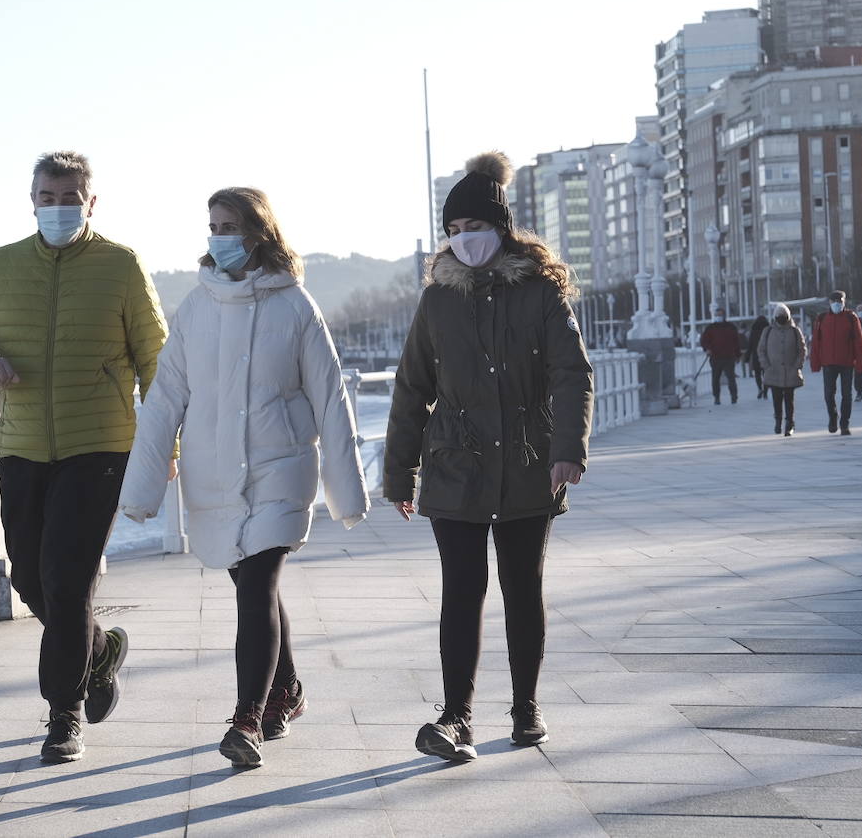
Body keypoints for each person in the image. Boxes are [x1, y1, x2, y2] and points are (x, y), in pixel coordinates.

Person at [117, 187, 368, 768]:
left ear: (260, 233)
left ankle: (246, 720)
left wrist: (345, 492)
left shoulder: (296, 305)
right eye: (213, 226)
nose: (219, 238)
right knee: (257, 589)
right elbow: (163, 401)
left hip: (281, 469)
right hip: (212, 474)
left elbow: (330, 398)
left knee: (257, 587)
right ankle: (288, 689)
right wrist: (142, 489)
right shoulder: (197, 307)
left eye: (231, 226)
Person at [0, 151, 168, 764]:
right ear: (32, 199)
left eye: (72, 197)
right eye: (49, 196)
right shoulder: (0, 266)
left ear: (91, 202)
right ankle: (98, 651)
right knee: (29, 579)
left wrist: (166, 444)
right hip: (21, 446)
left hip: (100, 446)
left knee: (66, 581)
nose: (60, 206)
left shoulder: (121, 266)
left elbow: (157, 360)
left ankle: (63, 716)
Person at [383, 152, 593, 763]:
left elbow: (571, 372)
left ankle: (525, 707)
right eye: (453, 231)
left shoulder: (540, 293)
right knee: (461, 589)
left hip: (530, 463)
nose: (463, 240)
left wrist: (567, 450)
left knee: (522, 588)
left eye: (473, 228)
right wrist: (401, 473)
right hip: (455, 465)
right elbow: (411, 389)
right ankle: (455, 717)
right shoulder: (437, 302)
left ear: (499, 228)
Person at [809, 290, 862, 435]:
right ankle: (833, 417)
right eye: (834, 301)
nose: (837, 304)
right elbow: (816, 342)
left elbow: (859, 341)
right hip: (828, 363)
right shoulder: (822, 319)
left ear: (844, 302)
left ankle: (844, 424)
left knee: (847, 394)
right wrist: (815, 362)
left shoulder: (851, 318)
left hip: (847, 362)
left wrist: (861, 363)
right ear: (829, 303)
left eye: (840, 301)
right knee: (829, 394)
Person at [758, 303, 805, 436]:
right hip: (774, 372)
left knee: (789, 400)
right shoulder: (768, 331)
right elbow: (761, 350)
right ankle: (778, 421)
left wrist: (797, 365)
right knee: (776, 399)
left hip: (790, 371)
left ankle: (789, 423)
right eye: (779, 316)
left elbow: (802, 350)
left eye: (783, 316)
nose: (781, 318)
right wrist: (766, 366)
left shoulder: (795, 331)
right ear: (775, 317)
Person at [700, 305, 741, 404]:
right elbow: (704, 340)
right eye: (716, 315)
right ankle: (716, 397)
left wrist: (738, 354)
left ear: (724, 316)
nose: (718, 316)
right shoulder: (711, 328)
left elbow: (736, 342)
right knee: (715, 378)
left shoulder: (731, 327)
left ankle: (734, 396)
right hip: (715, 357)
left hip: (729, 357)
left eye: (720, 315)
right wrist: (707, 349)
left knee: (731, 378)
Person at [743, 314, 770, 398]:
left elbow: (750, 345)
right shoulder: (769, 331)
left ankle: (759, 388)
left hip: (756, 355)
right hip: (767, 355)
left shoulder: (753, 331)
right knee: (766, 374)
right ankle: (765, 390)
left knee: (757, 374)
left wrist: (747, 357)